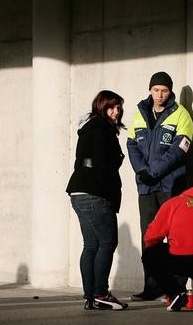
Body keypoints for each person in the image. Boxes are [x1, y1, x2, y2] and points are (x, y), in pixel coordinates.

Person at [127, 71, 193, 301]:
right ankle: (152, 286)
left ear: (170, 91)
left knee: (175, 236)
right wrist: (142, 172)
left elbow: (180, 151)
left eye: (164, 90)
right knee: (149, 236)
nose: (159, 95)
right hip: (146, 187)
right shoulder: (139, 114)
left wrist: (153, 172)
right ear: (150, 90)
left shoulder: (181, 115)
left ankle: (175, 288)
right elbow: (131, 145)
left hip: (170, 186)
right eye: (155, 90)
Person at [66, 90, 129, 310]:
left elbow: (82, 161)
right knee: (107, 243)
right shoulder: (102, 128)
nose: (116, 111)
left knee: (91, 244)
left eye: (119, 107)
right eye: (111, 107)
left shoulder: (88, 128)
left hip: (78, 192)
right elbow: (103, 164)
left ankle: (91, 296)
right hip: (95, 194)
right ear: (101, 107)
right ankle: (101, 293)